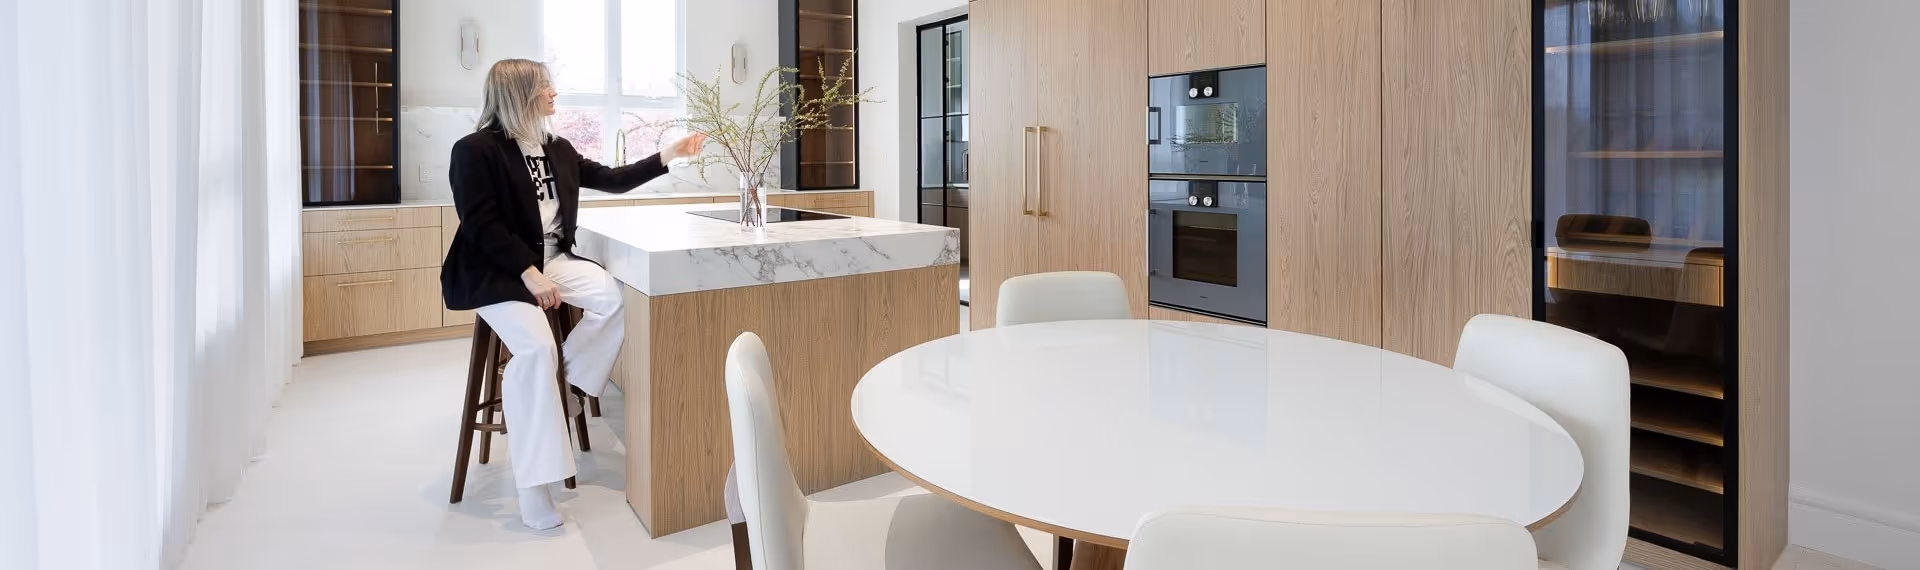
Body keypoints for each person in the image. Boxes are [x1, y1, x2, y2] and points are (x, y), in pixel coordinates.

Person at [441, 58, 706, 530]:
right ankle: (533, 488)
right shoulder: (474, 151)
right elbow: (480, 226)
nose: (554, 94)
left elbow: (613, 179)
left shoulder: (557, 149)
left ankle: (568, 387)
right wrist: (527, 272)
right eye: (546, 87)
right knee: (537, 349)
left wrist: (669, 154)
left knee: (614, 302)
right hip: (498, 272)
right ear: (521, 94)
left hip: (553, 262)